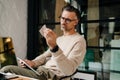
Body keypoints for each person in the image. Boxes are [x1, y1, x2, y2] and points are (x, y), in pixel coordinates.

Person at [0, 4, 86, 80]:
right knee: (6, 70)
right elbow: (45, 56)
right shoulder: (60, 39)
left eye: (67, 20)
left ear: (76, 22)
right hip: (40, 71)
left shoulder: (79, 41)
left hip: (49, 75)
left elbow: (68, 70)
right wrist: (33, 63)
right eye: (62, 18)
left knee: (6, 70)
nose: (63, 22)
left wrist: (54, 47)